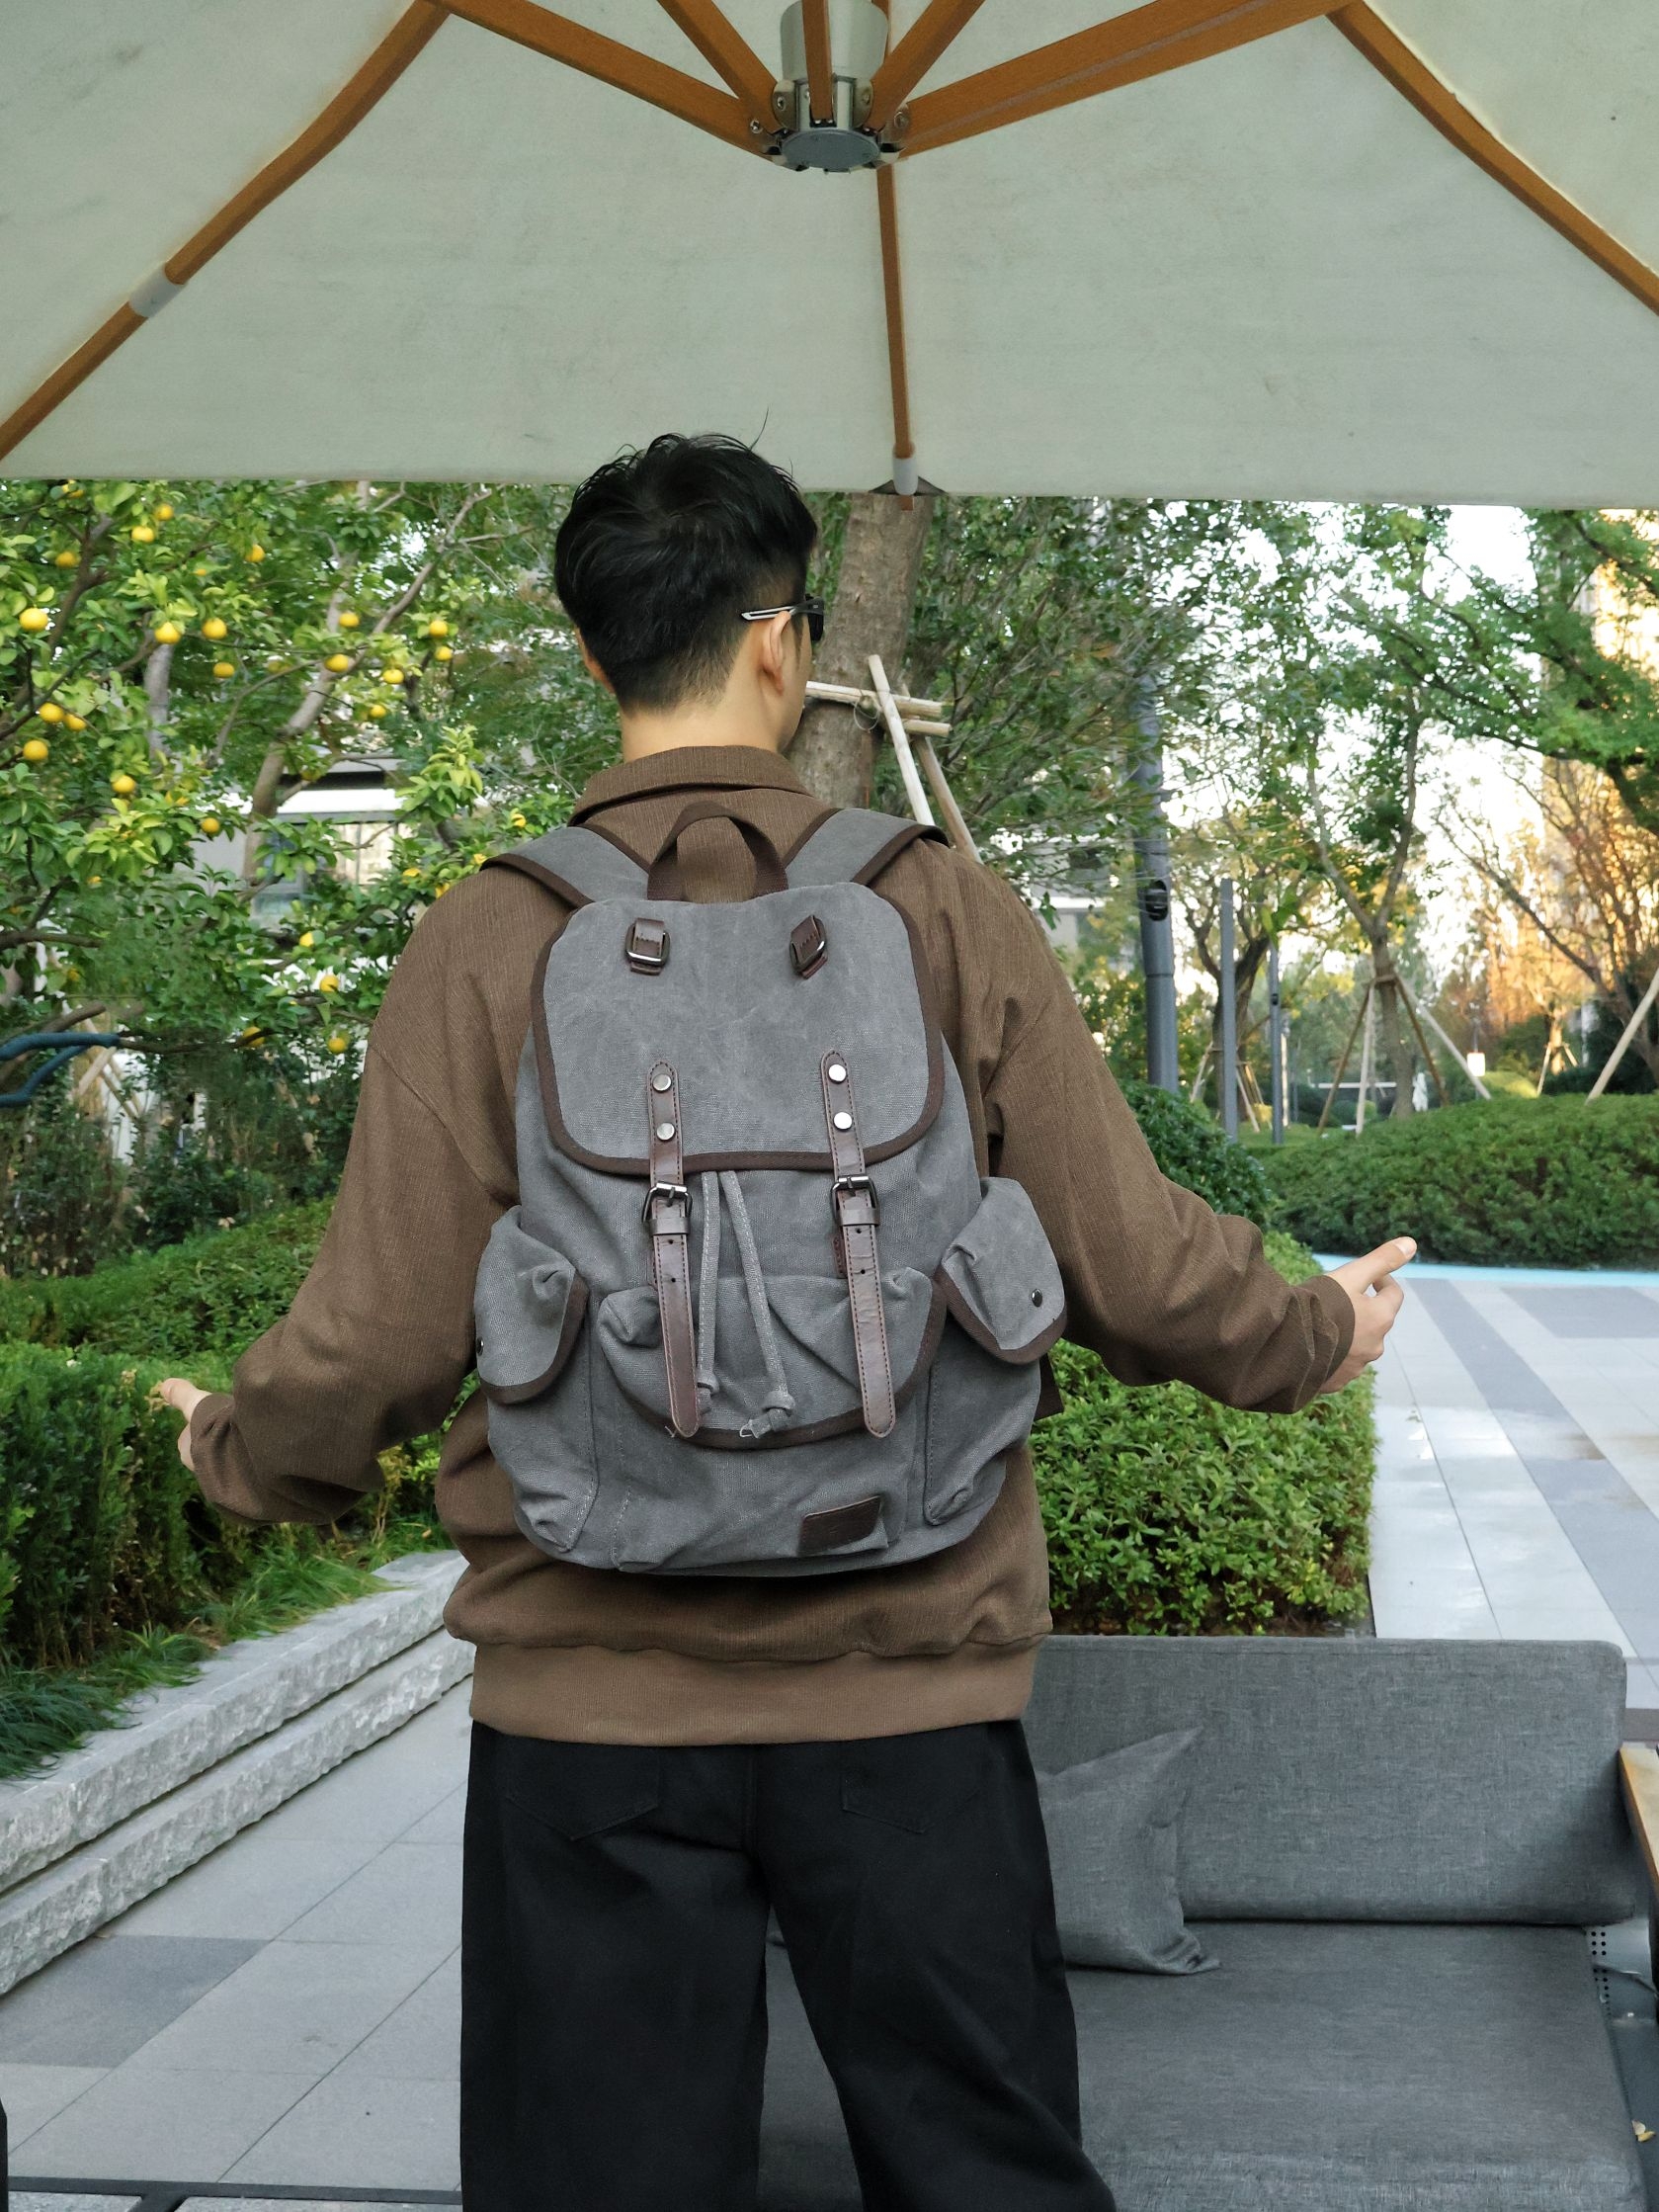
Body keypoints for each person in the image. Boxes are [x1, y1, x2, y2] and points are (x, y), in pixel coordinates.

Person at [160, 432, 1413, 2212]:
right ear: (782, 641)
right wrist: (1312, 1331)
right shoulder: (935, 903)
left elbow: (369, 1340)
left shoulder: (488, 938)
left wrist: (229, 1449)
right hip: (912, 1694)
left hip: (587, 1716)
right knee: (986, 2181)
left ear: (594, 653)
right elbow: (1132, 1259)